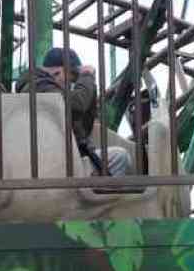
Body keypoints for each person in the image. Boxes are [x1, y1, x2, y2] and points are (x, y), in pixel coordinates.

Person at [16, 47, 133, 177]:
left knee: (114, 158)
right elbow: (77, 104)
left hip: (57, 156)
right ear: (57, 73)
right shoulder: (38, 87)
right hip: (51, 162)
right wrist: (86, 76)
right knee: (120, 157)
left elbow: (85, 127)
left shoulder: (45, 88)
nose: (70, 87)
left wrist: (90, 85)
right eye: (70, 81)